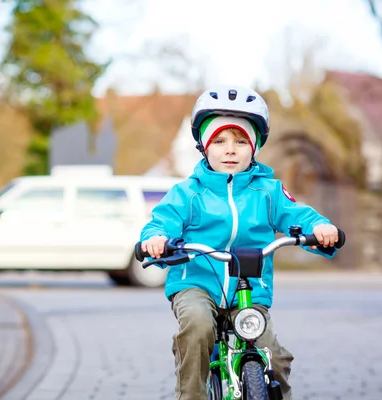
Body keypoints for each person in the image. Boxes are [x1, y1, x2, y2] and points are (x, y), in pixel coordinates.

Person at [140, 86, 339, 400]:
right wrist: (156, 239)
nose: (229, 150)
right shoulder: (187, 193)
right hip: (197, 284)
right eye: (219, 141)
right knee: (197, 326)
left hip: (249, 290)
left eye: (240, 141)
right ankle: (192, 396)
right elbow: (162, 220)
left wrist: (320, 228)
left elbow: (296, 214)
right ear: (205, 147)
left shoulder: (267, 191)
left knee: (272, 354)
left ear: (255, 147)